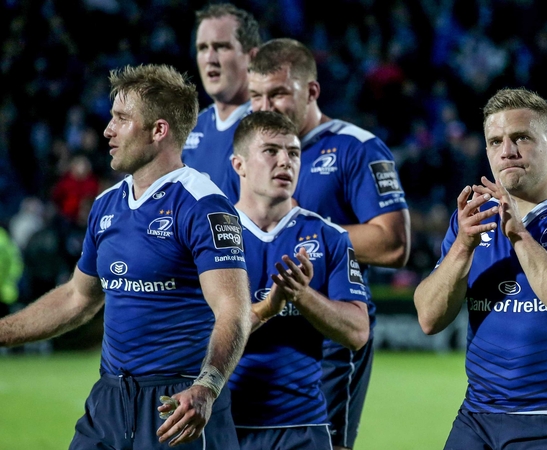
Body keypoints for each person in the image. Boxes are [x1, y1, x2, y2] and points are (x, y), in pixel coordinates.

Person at [0, 64, 252, 449]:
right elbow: (76, 298)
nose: (107, 130)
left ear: (158, 130)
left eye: (121, 118)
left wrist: (208, 386)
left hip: (179, 404)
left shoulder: (204, 205)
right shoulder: (105, 206)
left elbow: (233, 310)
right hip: (110, 400)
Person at [414, 87, 547, 450]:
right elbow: (429, 318)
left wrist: (521, 237)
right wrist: (463, 245)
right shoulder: (472, 221)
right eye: (495, 142)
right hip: (475, 420)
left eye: (521, 138)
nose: (506, 151)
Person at [247, 38, 411, 450]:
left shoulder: (356, 147)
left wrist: (304, 228)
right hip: (260, 330)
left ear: (312, 92)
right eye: (256, 95)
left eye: (279, 93)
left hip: (328, 336)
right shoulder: (250, 153)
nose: (265, 106)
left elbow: (392, 242)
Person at [226, 110, 371, 449]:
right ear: (239, 165)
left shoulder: (329, 236)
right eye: (271, 151)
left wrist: (302, 296)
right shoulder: (208, 235)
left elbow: (357, 332)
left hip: (302, 429)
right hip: (222, 423)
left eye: (293, 152)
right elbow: (195, 334)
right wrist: (268, 308)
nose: (285, 161)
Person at [182, 3, 260, 202]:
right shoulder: (189, 130)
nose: (210, 58)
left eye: (221, 47)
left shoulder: (270, 126)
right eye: (202, 48)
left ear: (251, 57)